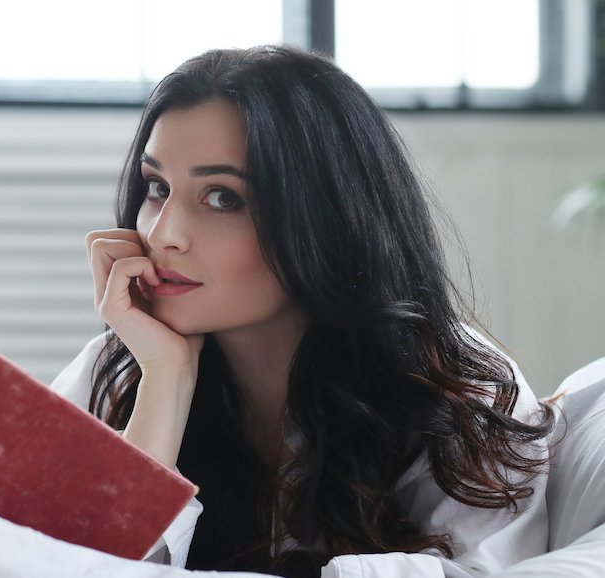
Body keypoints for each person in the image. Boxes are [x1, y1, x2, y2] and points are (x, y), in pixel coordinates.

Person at [49, 45, 556, 578]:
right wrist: (166, 382)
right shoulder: (124, 367)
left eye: (223, 198)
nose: (161, 234)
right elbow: (61, 565)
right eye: (157, 188)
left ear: (326, 217)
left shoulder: (456, 389)